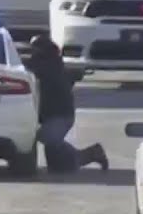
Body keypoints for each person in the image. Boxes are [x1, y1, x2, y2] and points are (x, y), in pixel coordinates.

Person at [25, 35, 108, 174]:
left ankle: (93, 153)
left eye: (36, 48)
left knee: (49, 139)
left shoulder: (49, 66)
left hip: (60, 116)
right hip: (50, 116)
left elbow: (34, 70)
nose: (33, 52)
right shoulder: (51, 64)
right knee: (59, 165)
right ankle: (86, 155)